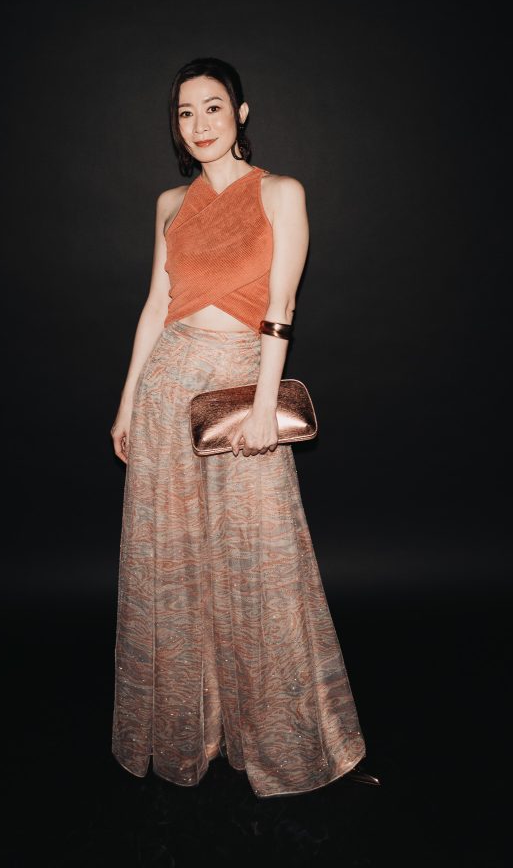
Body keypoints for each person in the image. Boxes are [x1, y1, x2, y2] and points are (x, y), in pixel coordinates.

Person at [110, 57, 378, 797]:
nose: (198, 124)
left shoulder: (281, 193)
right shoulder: (170, 202)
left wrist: (264, 404)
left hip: (238, 390)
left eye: (212, 107)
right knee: (173, 562)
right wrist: (127, 401)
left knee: (259, 559)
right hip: (167, 389)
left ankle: (282, 738)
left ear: (241, 113)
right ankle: (191, 731)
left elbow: (281, 307)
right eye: (185, 112)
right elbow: (155, 304)